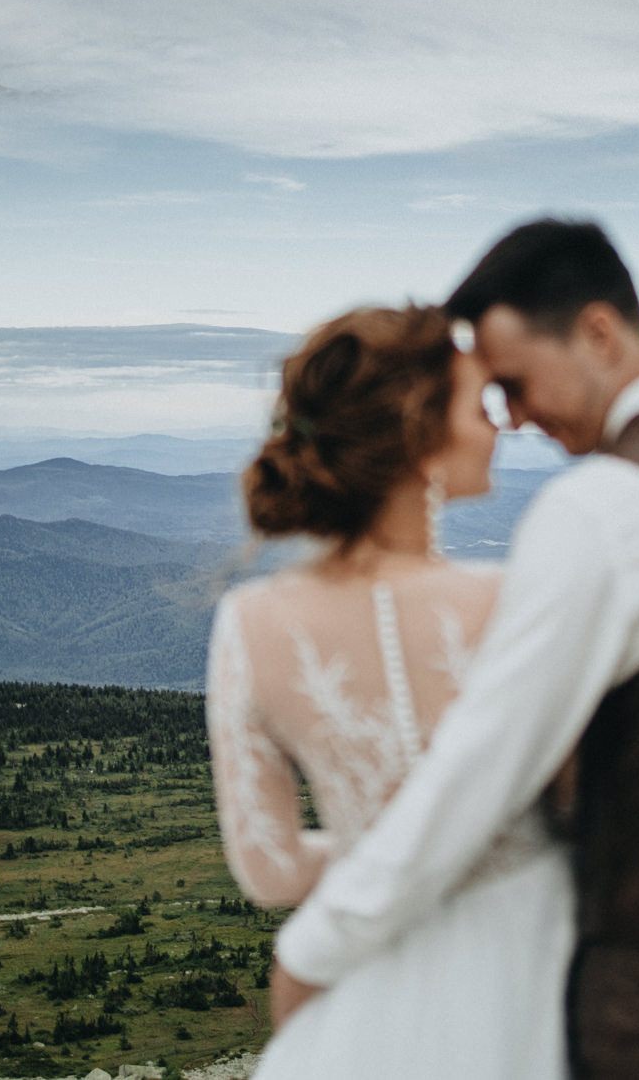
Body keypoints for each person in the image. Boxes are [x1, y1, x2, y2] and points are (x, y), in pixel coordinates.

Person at [270, 219, 639, 1080]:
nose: (510, 416)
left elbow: (487, 763)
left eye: (513, 381)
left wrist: (318, 946)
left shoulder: (604, 507)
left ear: (596, 332)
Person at [205, 304, 576, 1080]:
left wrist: (379, 850)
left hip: (369, 1001)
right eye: (480, 405)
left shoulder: (249, 622)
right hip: (541, 978)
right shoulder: (514, 600)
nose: (501, 424)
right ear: (420, 431)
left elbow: (268, 867)